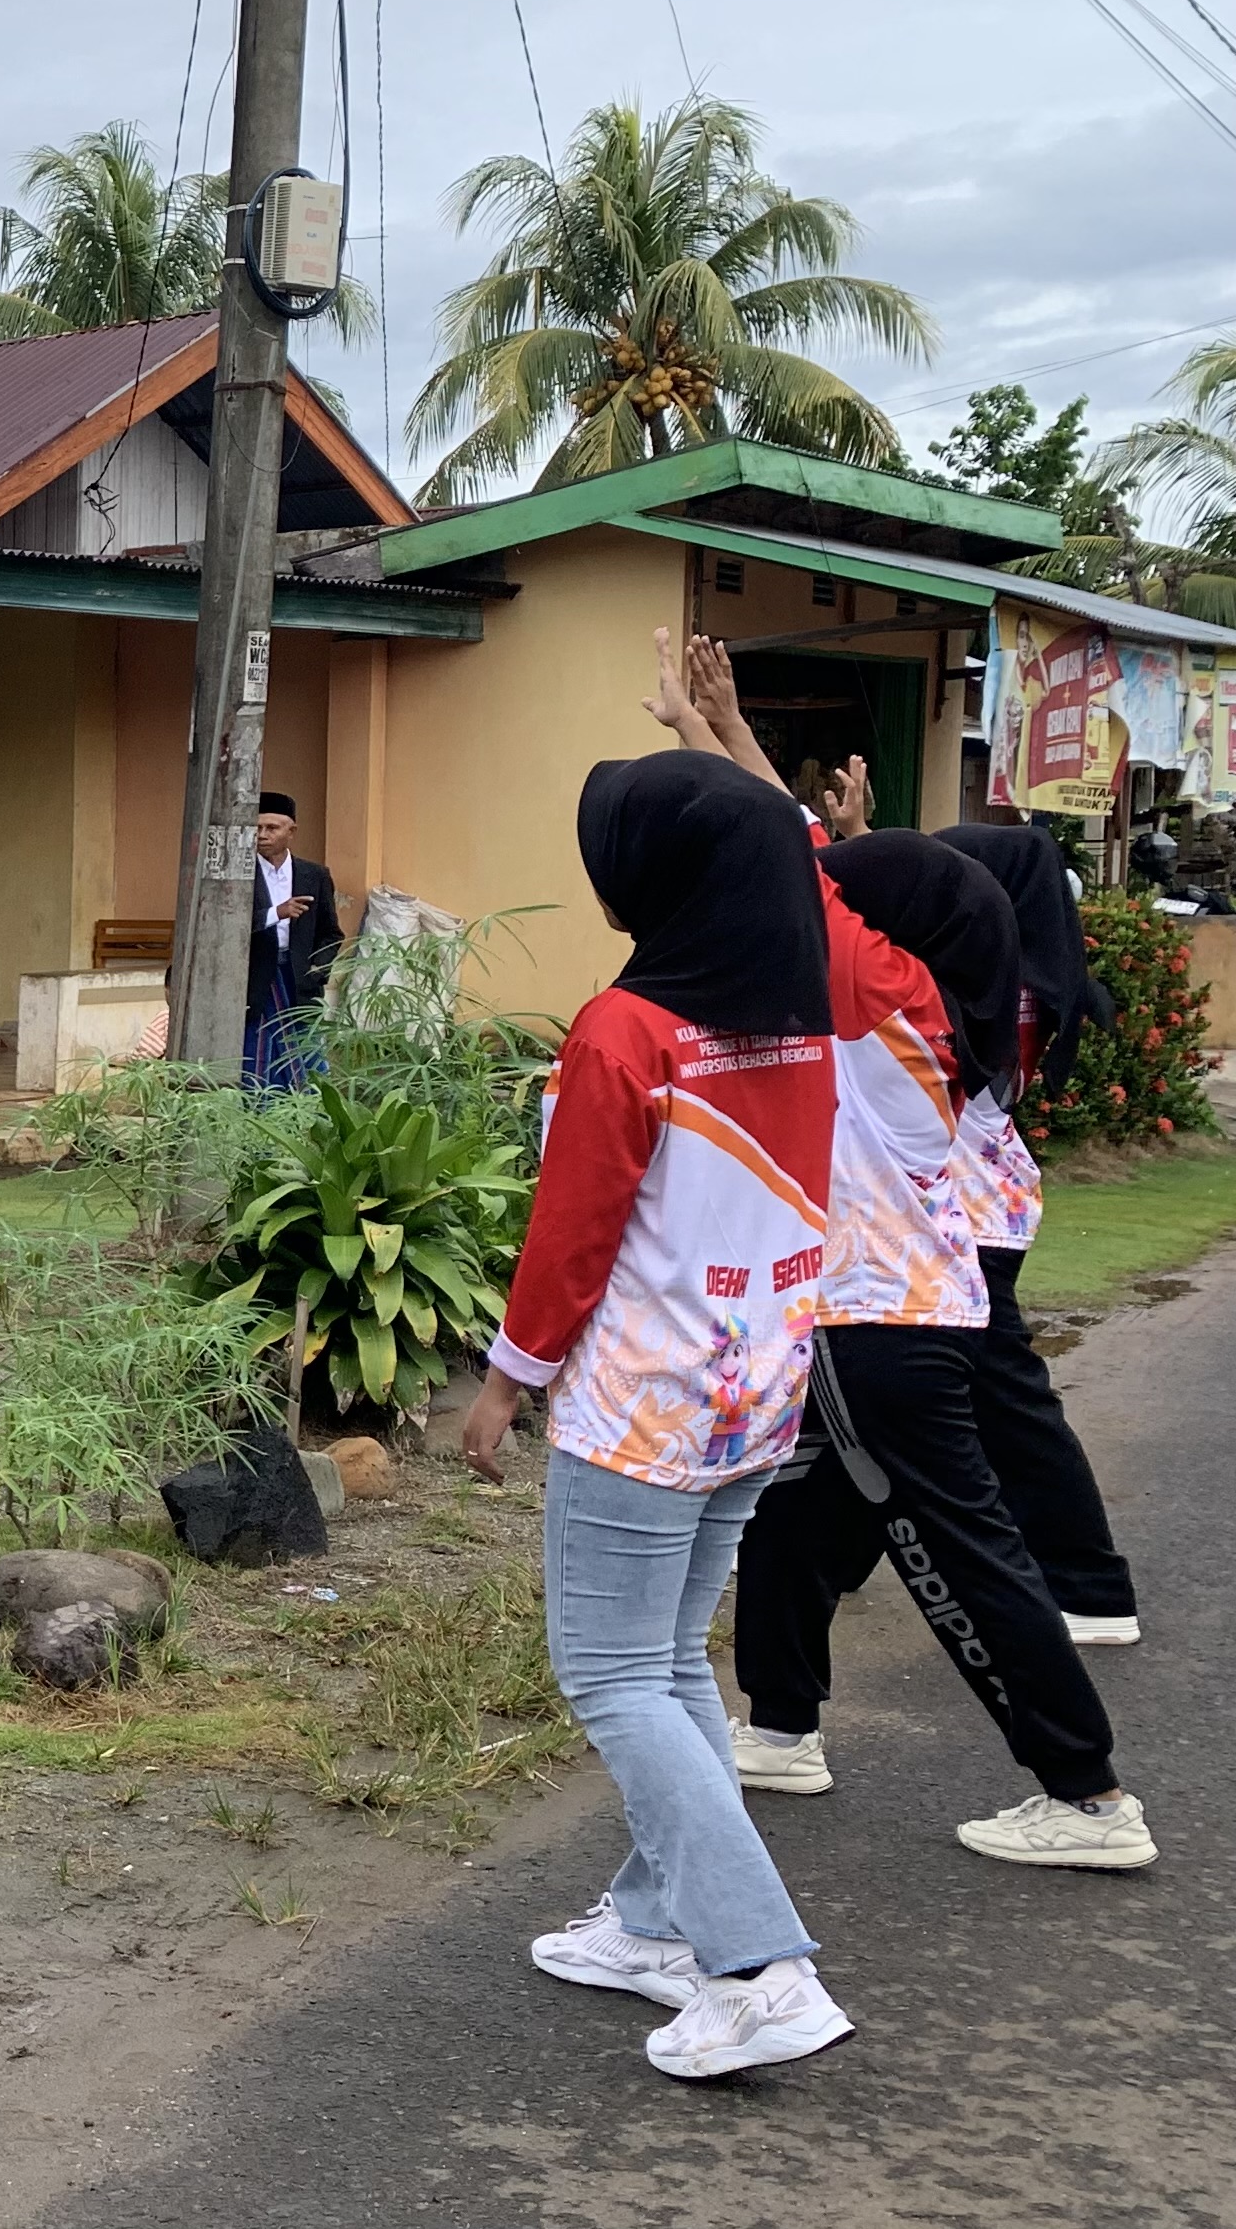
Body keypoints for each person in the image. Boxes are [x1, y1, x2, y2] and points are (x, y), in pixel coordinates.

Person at [649, 635, 1158, 1873]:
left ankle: (1085, 1797)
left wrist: (704, 733)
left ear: (892, 931)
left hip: (883, 1330)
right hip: (883, 1315)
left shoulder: (881, 1001)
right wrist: (727, 733)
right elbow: (814, 860)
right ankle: (780, 1726)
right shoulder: (942, 991)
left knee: (961, 1555)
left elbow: (792, 860)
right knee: (790, 1517)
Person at [458, 747, 853, 2081]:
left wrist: (507, 1379)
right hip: (757, 1394)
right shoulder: (803, 1029)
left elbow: (572, 1235)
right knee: (674, 1658)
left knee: (614, 1676)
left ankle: (758, 1968)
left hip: (643, 1403)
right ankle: (648, 1923)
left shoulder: (626, 1032)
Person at [935, 817, 1142, 1645]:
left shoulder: (984, 983)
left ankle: (1092, 1588)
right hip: (979, 1209)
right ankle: (805, 1563)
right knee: (904, 1405)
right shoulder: (1020, 972)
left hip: (965, 1220)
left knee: (1005, 1407)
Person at [242, 792, 344, 1087]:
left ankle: (307, 1114)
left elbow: (331, 933)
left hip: (300, 977)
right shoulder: (240, 875)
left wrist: (318, 972)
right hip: (258, 977)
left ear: (291, 831)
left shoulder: (314, 875)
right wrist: (277, 912)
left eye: (271, 828)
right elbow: (231, 928)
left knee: (304, 1048)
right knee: (259, 1049)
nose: (262, 835)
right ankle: (258, 1113)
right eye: (257, 828)